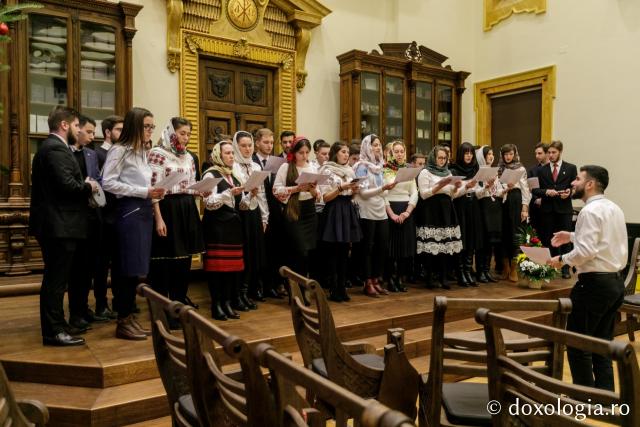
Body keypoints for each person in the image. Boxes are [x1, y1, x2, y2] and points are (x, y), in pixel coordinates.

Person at [547, 165, 627, 391]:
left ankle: (585, 399)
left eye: (578, 179)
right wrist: (571, 235)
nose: (573, 183)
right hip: (614, 283)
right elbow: (604, 240)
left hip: (594, 285)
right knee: (601, 343)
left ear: (590, 184)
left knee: (578, 344)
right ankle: (604, 395)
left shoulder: (589, 211)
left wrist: (560, 260)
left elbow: (586, 252)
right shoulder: (614, 208)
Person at [30, 106, 99, 346]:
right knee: (56, 281)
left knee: (58, 279)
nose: (79, 130)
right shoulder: (55, 149)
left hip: (59, 223)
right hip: (58, 225)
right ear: (65, 125)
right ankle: (53, 331)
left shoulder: (52, 148)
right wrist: (89, 186)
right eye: (77, 126)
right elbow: (68, 187)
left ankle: (58, 325)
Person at [102, 107, 166, 340]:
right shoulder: (120, 150)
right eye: (146, 126)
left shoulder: (141, 152)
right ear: (135, 126)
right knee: (125, 269)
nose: (150, 131)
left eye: (152, 126)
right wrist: (143, 191)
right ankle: (123, 320)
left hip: (143, 212)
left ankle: (129, 317)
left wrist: (156, 192)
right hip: (128, 211)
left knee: (136, 270)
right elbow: (107, 182)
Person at [148, 117, 205, 313]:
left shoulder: (189, 156)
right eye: (182, 133)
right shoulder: (157, 154)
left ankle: (179, 303)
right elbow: (154, 189)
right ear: (172, 132)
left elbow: (188, 185)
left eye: (188, 134)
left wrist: (200, 191)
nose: (186, 138)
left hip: (187, 207)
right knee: (166, 260)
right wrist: (158, 218)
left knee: (184, 259)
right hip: (167, 208)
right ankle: (163, 309)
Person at [68, 115, 110, 330]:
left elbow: (99, 181)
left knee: (89, 268)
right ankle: (75, 312)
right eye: (89, 131)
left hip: (94, 217)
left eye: (94, 132)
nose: (93, 136)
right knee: (77, 269)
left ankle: (85, 309)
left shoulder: (92, 154)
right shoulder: (67, 154)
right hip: (75, 218)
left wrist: (95, 185)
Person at [202, 141, 245, 321]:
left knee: (230, 269)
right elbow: (208, 203)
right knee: (217, 269)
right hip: (216, 227)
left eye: (232, 154)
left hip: (232, 227)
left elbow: (239, 204)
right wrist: (229, 194)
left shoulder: (233, 175)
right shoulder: (210, 174)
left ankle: (226, 302)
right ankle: (216, 305)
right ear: (218, 155)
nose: (231, 156)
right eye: (227, 153)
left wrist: (252, 195)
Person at [353, 134, 396, 297]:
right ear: (367, 147)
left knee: (381, 247)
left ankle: (376, 279)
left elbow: (382, 190)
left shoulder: (380, 165)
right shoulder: (361, 166)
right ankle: (367, 282)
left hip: (380, 210)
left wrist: (389, 188)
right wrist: (383, 188)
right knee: (367, 248)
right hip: (367, 211)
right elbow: (363, 193)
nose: (378, 148)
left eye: (379, 145)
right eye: (375, 145)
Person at [415, 145, 464, 289]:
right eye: (440, 158)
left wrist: (456, 187)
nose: (442, 161)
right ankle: (430, 277)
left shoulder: (448, 173)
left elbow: (453, 195)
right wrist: (438, 186)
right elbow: (423, 194)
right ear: (433, 158)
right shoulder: (425, 172)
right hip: (431, 209)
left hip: (446, 209)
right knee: (431, 246)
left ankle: (443, 277)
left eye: (444, 158)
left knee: (444, 245)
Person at [319, 142, 362, 301]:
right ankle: (333, 287)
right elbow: (325, 197)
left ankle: (342, 287)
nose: (346, 155)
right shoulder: (327, 169)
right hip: (334, 209)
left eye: (347, 152)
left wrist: (354, 191)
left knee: (345, 251)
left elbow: (350, 196)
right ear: (335, 153)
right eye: (343, 152)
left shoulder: (350, 170)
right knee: (333, 252)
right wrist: (341, 188)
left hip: (347, 208)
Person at [232, 130, 268, 310]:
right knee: (241, 255)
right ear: (236, 147)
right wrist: (247, 192)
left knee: (253, 255)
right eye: (243, 146)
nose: (247, 149)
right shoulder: (233, 166)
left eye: (250, 145)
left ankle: (246, 292)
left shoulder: (256, 166)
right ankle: (237, 294)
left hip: (254, 213)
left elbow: (261, 195)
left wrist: (264, 217)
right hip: (239, 214)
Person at [273, 136, 319, 276]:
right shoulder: (286, 167)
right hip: (294, 210)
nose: (304, 156)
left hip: (309, 211)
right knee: (299, 250)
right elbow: (276, 190)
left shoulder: (312, 167)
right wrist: (296, 189)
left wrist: (313, 190)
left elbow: (319, 194)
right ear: (294, 152)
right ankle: (295, 286)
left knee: (308, 252)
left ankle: (304, 285)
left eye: (307, 152)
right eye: (301, 153)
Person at [533, 141, 577, 279]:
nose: (551, 155)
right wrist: (546, 192)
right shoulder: (541, 170)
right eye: (549, 152)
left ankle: (565, 268)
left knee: (565, 240)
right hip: (547, 210)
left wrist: (569, 193)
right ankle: (551, 266)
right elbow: (534, 189)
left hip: (564, 209)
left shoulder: (571, 168)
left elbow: (574, 187)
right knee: (548, 239)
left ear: (560, 152)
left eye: (554, 152)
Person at [94, 116, 123, 319]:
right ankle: (101, 303)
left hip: (122, 214)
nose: (122, 134)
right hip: (104, 216)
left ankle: (120, 300)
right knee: (102, 264)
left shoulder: (123, 153)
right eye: (119, 130)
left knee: (121, 262)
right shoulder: (97, 154)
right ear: (107, 132)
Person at [253, 128, 287, 299]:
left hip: (275, 209)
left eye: (272, 142)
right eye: (266, 142)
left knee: (275, 249)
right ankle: (257, 286)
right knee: (261, 249)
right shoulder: (252, 162)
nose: (269, 145)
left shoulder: (277, 162)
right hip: (258, 209)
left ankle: (272, 285)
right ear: (257, 142)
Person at [382, 141, 417, 292]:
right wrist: (392, 214)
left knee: (403, 249)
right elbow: (383, 194)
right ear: (390, 153)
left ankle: (399, 278)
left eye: (402, 151)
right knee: (391, 249)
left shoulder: (408, 170)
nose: (399, 154)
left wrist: (407, 212)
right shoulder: (385, 170)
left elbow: (415, 192)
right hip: (390, 209)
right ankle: (390, 278)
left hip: (405, 210)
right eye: (396, 151)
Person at [449, 142, 481, 287]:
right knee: (462, 239)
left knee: (472, 238)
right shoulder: (454, 170)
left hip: (473, 205)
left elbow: (479, 193)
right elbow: (453, 194)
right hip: (460, 206)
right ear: (461, 154)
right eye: (466, 153)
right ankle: (460, 272)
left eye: (471, 153)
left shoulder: (476, 169)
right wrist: (466, 187)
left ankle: (468, 271)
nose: (469, 156)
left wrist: (487, 187)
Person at [498, 144, 531, 282]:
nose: (508, 157)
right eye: (505, 154)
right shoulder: (499, 168)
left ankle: (513, 268)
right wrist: (505, 188)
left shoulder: (520, 168)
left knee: (515, 234)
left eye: (510, 154)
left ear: (515, 154)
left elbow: (525, 189)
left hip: (516, 200)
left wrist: (525, 208)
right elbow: (496, 188)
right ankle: (505, 267)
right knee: (503, 233)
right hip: (502, 202)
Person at [475, 146, 503, 282]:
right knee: (483, 241)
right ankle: (480, 271)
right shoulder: (479, 171)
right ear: (482, 156)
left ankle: (487, 271)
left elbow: (497, 192)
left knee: (491, 241)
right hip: (483, 207)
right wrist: (486, 186)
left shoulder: (494, 171)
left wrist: (505, 190)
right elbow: (477, 193)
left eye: (492, 154)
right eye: (488, 154)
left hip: (494, 207)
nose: (491, 156)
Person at [527, 142, 549, 238]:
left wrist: (544, 199)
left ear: (547, 153)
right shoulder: (533, 170)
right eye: (536, 153)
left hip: (549, 205)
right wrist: (536, 199)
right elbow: (531, 188)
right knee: (535, 236)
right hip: (536, 207)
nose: (537, 156)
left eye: (540, 153)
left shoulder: (553, 170)